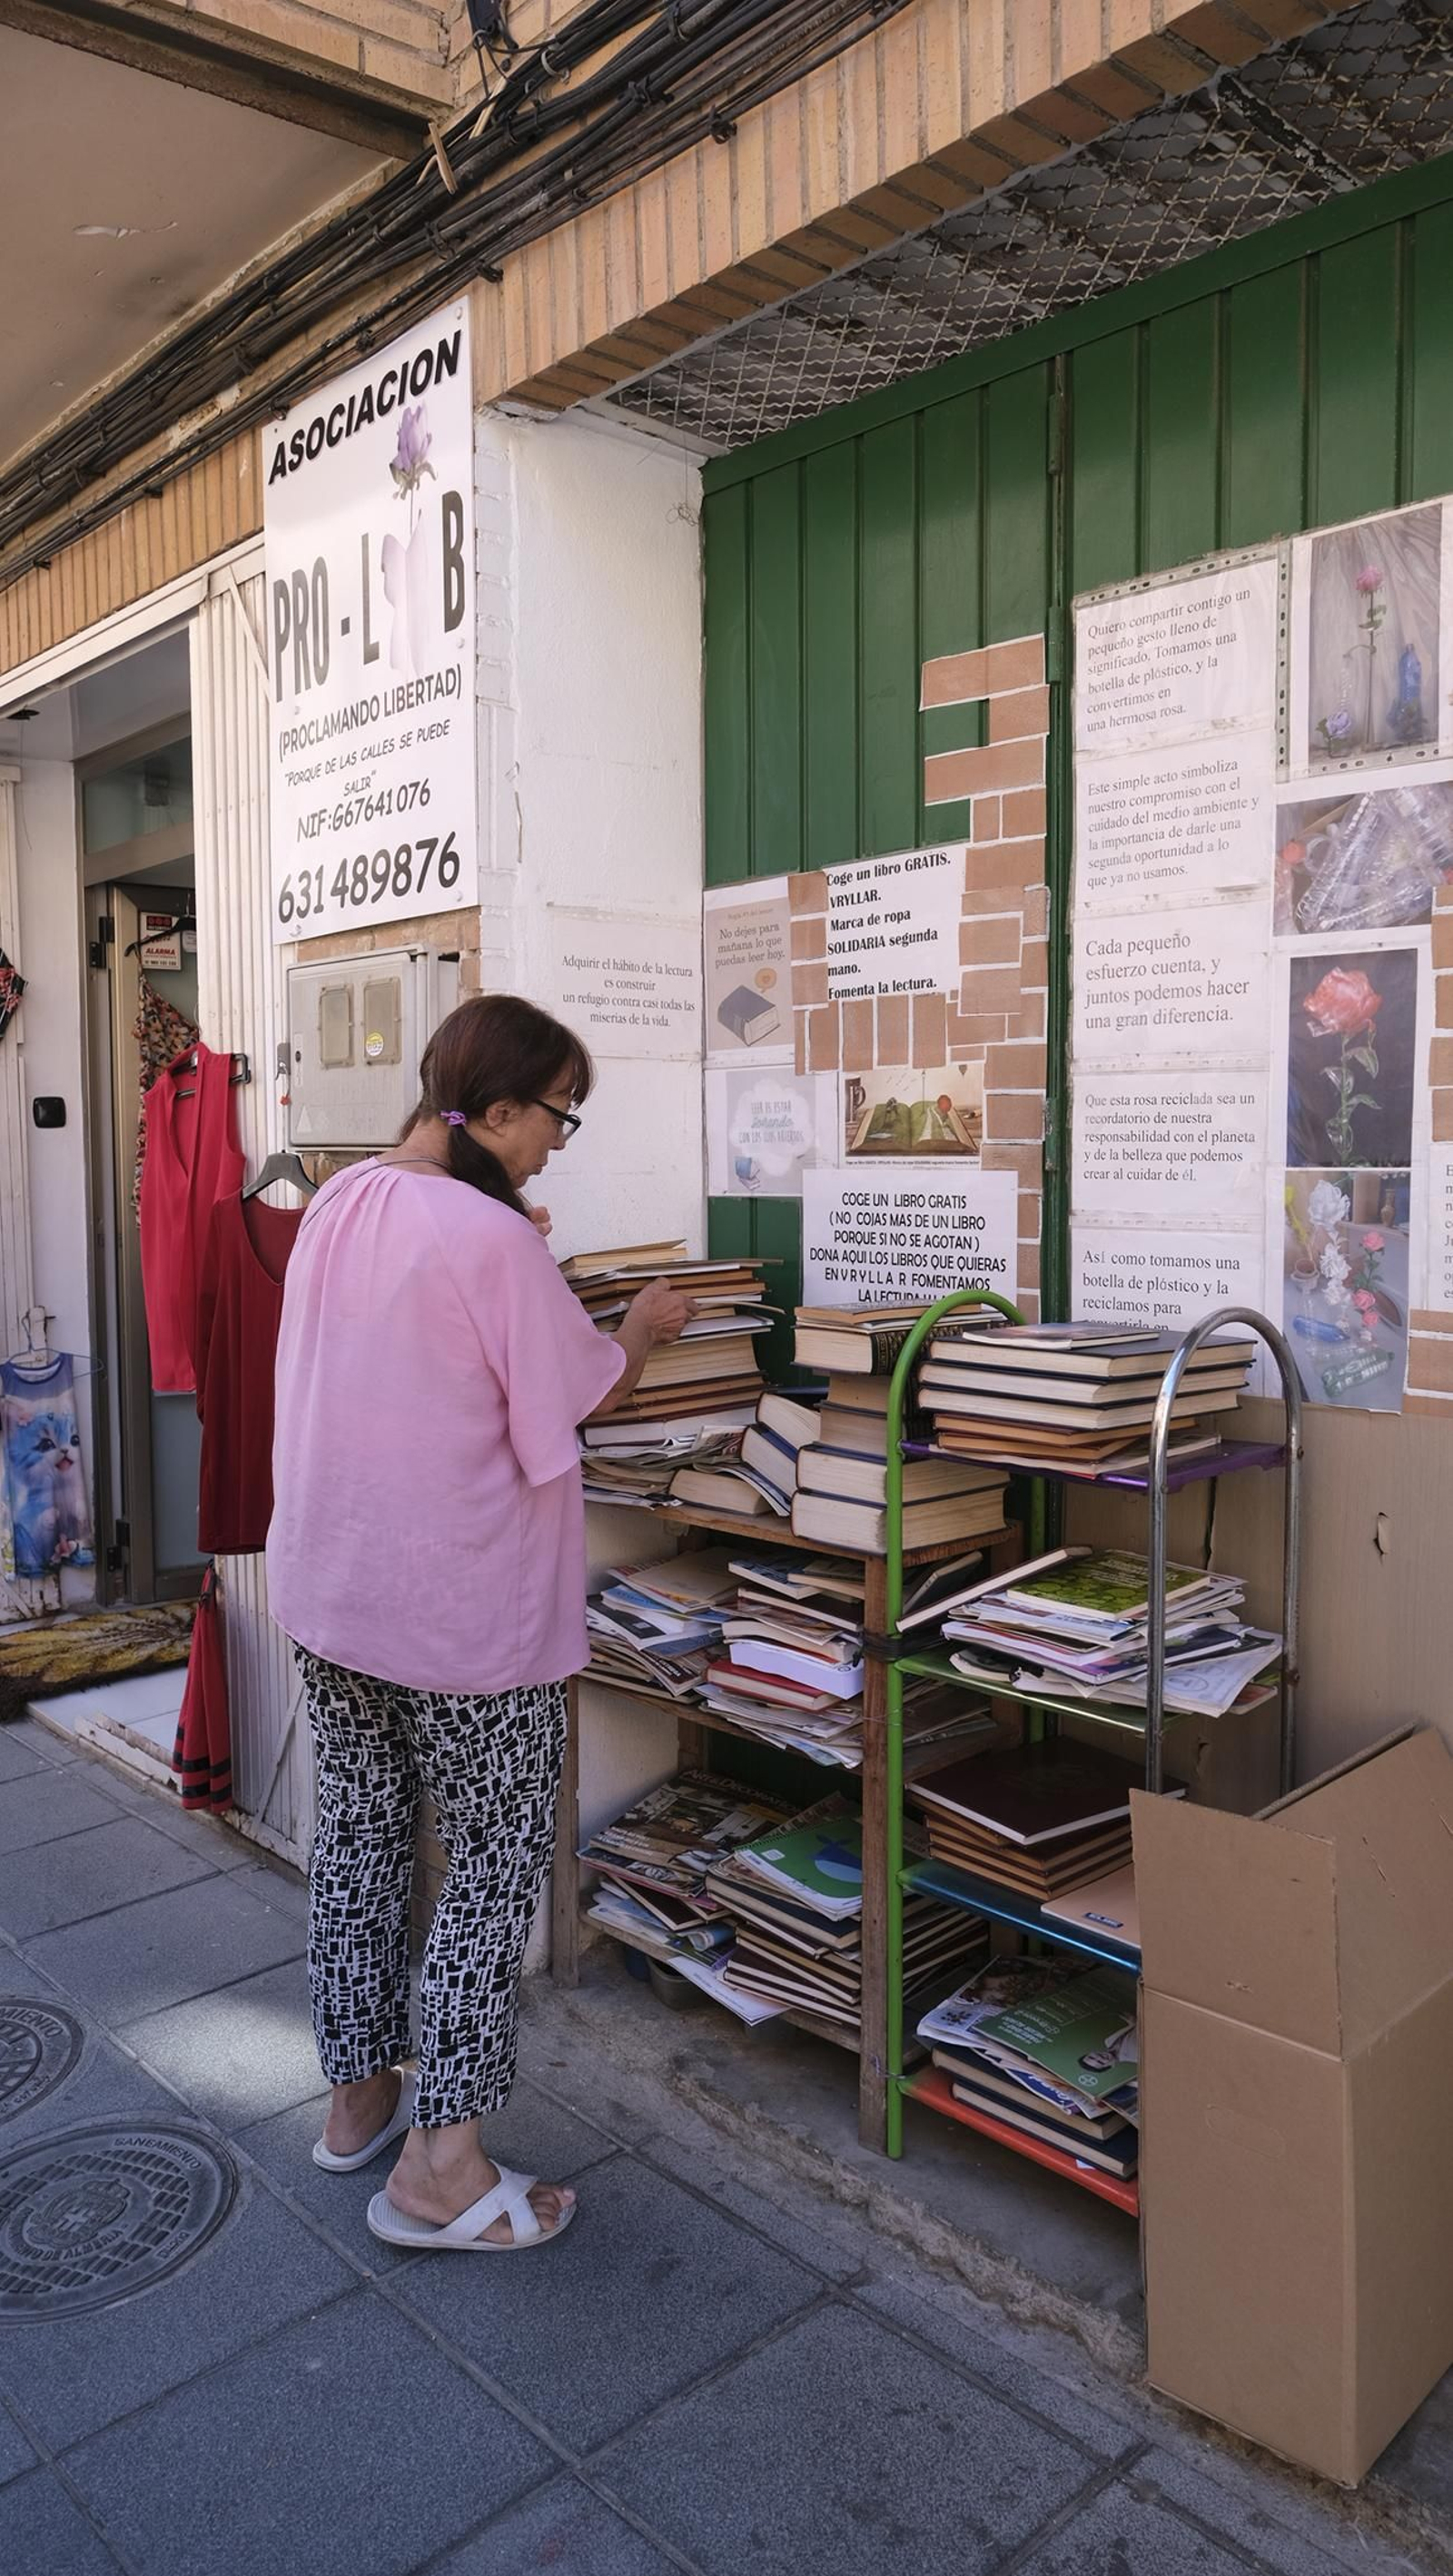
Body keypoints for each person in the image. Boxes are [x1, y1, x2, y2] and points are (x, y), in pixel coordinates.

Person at [266, 993, 692, 2254]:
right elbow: (568, 1399)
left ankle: (361, 2103)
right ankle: (443, 2169)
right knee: (491, 1867)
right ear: (497, 1109)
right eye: (559, 1113)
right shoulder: (491, 1238)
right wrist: (637, 1331)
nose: (562, 1137)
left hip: (336, 1593)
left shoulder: (341, 1201)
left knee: (357, 1840)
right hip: (464, 1617)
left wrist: (509, 1239)